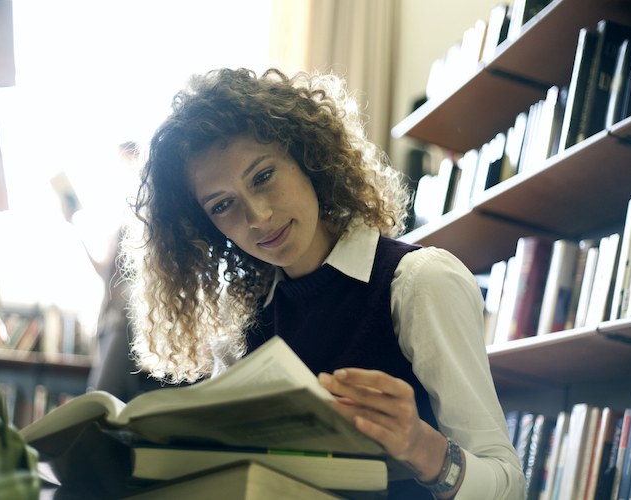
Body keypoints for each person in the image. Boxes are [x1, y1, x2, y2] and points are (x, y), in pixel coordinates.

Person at [123, 67, 524, 500]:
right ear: (206, 228)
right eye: (223, 205)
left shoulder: (418, 282)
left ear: (307, 158)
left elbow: (508, 485)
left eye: (263, 176)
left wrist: (423, 448)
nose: (257, 216)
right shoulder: (243, 333)